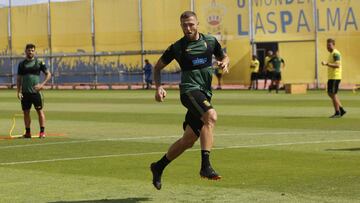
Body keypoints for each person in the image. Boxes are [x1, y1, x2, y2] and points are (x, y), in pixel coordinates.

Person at [150, 11, 229, 190]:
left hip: (204, 93)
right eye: (184, 25)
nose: (188, 28)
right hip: (189, 92)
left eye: (191, 24)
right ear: (181, 26)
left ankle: (158, 166)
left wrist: (225, 62)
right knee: (211, 116)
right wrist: (158, 87)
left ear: (198, 24)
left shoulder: (210, 41)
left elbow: (223, 56)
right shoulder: (177, 47)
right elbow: (157, 67)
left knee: (188, 140)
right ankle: (205, 166)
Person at [16, 43, 51, 138]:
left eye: (32, 50)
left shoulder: (39, 63)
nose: (30, 52)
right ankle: (28, 133)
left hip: (36, 93)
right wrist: (18, 91)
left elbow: (48, 74)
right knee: (26, 112)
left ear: (34, 51)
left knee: (40, 111)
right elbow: (19, 78)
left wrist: (42, 85)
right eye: (28, 50)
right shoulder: (21, 64)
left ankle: (42, 132)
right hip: (25, 93)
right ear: (25, 51)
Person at [321, 38, 346, 118]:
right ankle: (341, 110)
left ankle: (338, 112)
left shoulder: (336, 54)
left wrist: (327, 63)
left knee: (333, 94)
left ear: (333, 45)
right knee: (330, 93)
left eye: (329, 45)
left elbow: (337, 65)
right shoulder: (331, 53)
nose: (328, 47)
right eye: (327, 45)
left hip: (335, 77)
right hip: (332, 77)